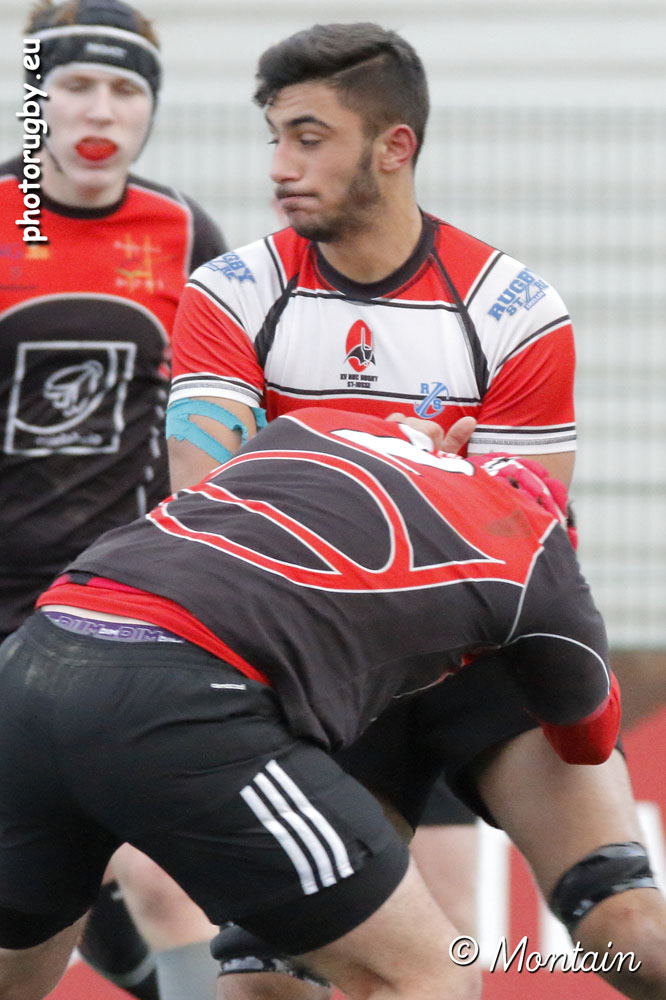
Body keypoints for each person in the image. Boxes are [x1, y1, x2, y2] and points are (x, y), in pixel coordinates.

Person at [163, 23, 666, 1000]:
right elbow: (206, 515)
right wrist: (420, 473)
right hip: (325, 678)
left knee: (634, 938)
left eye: (310, 138)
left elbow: (526, 547)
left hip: (483, 663)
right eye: (274, 137)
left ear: (395, 146)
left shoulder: (512, 308)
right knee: (264, 987)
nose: (279, 166)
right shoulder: (231, 294)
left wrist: (320, 468)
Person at [0, 405, 628, 1000]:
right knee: (427, 974)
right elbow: (588, 738)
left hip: (38, 653)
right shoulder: (540, 551)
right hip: (182, 695)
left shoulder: (320, 425)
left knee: (15, 980)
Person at [0, 1, 226, 997]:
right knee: (43, 889)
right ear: (35, 105)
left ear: (151, 110)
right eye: (76, 86)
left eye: (127, 90)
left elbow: (227, 415)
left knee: (164, 872)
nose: (101, 110)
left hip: (122, 599)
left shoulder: (184, 232)